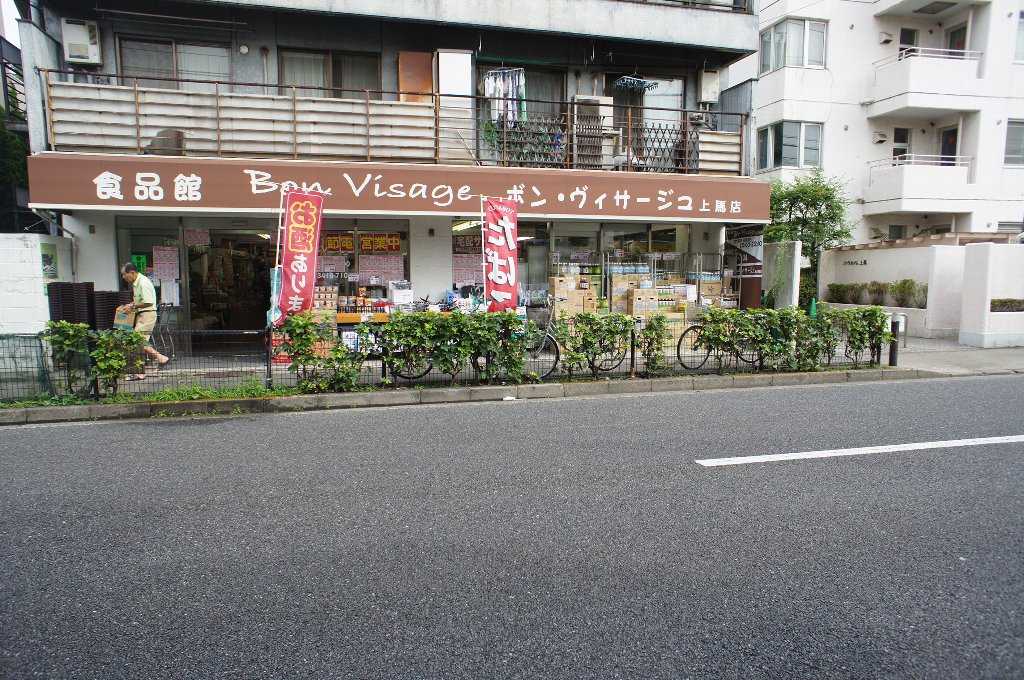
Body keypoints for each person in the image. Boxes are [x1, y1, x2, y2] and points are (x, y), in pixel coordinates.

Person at [120, 262, 169, 380]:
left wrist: (132, 307)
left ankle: (159, 358)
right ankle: (142, 370)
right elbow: (142, 300)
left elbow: (148, 302)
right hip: (143, 315)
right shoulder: (137, 283)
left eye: (124, 274)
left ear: (132, 273)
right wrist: (131, 304)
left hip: (147, 315)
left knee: (136, 340)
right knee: (138, 341)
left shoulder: (143, 282)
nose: (123, 277)